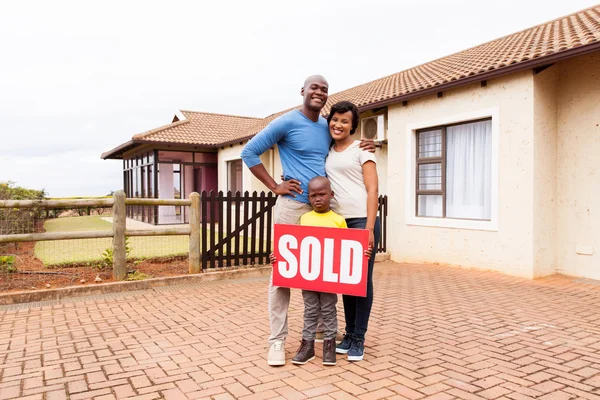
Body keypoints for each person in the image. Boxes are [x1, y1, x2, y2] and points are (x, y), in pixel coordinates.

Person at [241, 75, 375, 366]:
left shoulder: (326, 127)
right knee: (282, 274)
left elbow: (343, 143)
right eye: (314, 87)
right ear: (302, 91)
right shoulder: (286, 122)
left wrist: (366, 144)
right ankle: (277, 341)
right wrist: (275, 186)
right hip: (292, 207)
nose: (319, 92)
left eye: (324, 89)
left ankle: (321, 333)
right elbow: (248, 152)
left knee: (323, 271)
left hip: (325, 211)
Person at [325, 101, 381, 362]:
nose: (338, 124)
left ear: (353, 126)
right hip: (339, 222)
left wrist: (369, 228)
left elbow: (372, 190)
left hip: (361, 221)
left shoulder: (362, 150)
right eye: (335, 119)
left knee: (362, 282)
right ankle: (348, 335)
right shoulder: (328, 150)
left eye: (345, 121)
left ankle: (359, 338)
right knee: (347, 281)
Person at [291, 176, 346, 366]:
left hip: (329, 276)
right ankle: (308, 347)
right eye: (313, 195)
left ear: (331, 194)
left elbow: (346, 249)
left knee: (329, 309)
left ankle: (329, 346)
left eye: (322, 194)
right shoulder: (305, 218)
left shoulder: (339, 221)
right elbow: (296, 246)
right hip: (308, 276)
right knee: (310, 310)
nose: (317, 199)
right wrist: (280, 257)